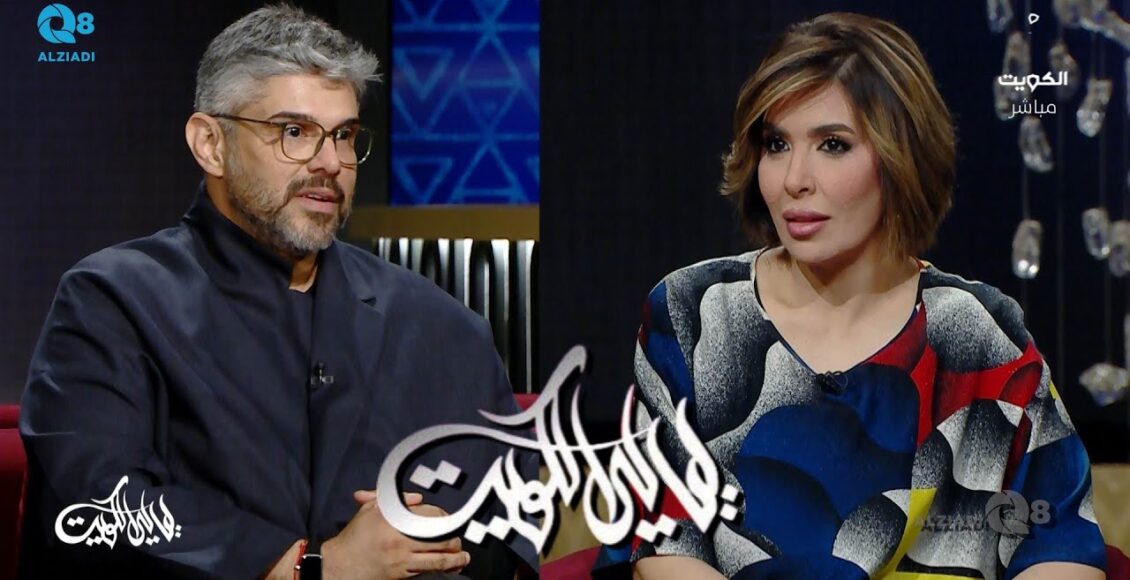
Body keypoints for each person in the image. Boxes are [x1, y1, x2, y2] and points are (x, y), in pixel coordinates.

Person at [19, 5, 534, 579]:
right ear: (210, 144)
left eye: (344, 136)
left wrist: (437, 547)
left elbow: (509, 529)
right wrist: (312, 566)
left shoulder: (444, 327)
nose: (331, 163)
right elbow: (96, 510)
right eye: (294, 132)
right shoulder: (113, 301)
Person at [621, 12, 1107, 580]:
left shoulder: (979, 335)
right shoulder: (694, 314)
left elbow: (1060, 551)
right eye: (776, 144)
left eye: (833, 144)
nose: (794, 178)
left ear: (902, 156)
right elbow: (666, 543)